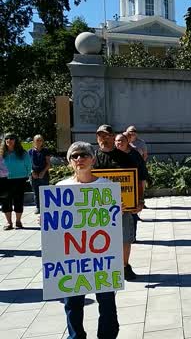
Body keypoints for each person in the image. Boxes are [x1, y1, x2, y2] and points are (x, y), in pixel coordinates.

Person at [59, 141, 120, 339]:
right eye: (74, 156)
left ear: (93, 159)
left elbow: (113, 221)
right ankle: (75, 336)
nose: (79, 159)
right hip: (73, 258)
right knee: (72, 304)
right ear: (69, 162)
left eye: (83, 155)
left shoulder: (106, 187)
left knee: (107, 302)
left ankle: (107, 335)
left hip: (101, 257)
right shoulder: (61, 188)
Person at [94, 125, 142, 281]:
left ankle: (124, 266)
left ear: (112, 136)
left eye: (106, 135)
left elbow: (137, 180)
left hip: (123, 205)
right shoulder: (91, 158)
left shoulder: (126, 157)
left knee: (125, 238)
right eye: (100, 135)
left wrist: (139, 200)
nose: (103, 138)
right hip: (97, 207)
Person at [115, 133, 149, 240]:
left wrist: (141, 197)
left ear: (127, 142)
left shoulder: (134, 155)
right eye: (117, 141)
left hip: (131, 191)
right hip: (115, 193)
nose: (119, 143)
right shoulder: (110, 155)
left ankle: (131, 237)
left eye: (121, 140)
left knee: (131, 215)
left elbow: (142, 175)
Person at [1, 133, 31, 230]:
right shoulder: (1, 153)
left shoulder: (22, 153)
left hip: (19, 179)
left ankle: (18, 221)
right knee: (6, 201)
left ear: (16, 140)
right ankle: (9, 223)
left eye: (12, 138)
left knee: (18, 200)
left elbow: (29, 165)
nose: (9, 140)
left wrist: (27, 175)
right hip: (4, 180)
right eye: (7, 138)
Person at [28, 134, 51, 214]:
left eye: (40, 140)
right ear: (34, 141)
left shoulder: (46, 151)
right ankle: (38, 207)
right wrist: (32, 171)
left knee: (45, 191)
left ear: (42, 141)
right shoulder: (30, 152)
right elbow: (27, 164)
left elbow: (48, 164)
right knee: (36, 192)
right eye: (37, 140)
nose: (39, 142)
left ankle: (46, 207)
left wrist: (43, 172)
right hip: (33, 174)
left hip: (43, 174)